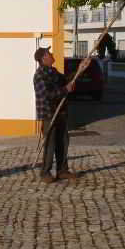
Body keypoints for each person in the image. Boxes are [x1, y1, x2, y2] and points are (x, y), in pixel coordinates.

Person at [33, 47, 79, 183]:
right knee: (50, 144)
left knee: (63, 142)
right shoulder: (39, 75)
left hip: (61, 112)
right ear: (43, 58)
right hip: (49, 114)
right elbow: (47, 95)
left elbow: (65, 80)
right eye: (49, 53)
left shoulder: (53, 72)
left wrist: (80, 68)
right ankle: (45, 173)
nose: (52, 54)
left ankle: (62, 171)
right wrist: (65, 89)